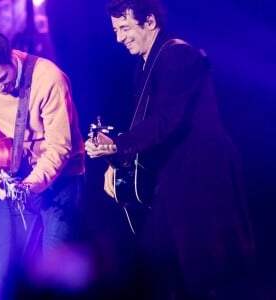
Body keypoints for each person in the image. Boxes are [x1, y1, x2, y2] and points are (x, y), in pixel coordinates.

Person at [85, 0, 255, 299]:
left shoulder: (178, 55)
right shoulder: (146, 63)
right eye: (115, 30)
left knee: (194, 267)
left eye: (124, 28)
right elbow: (147, 123)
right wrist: (116, 161)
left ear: (149, 21)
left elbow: (166, 119)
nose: (119, 38)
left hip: (199, 174)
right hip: (174, 175)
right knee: (166, 262)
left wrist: (119, 146)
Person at [0, 31, 85, 300]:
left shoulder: (49, 80)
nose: (0, 89)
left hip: (62, 180)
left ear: (12, 57)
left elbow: (60, 147)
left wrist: (29, 186)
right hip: (16, 173)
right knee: (4, 280)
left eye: (3, 79)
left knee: (55, 281)